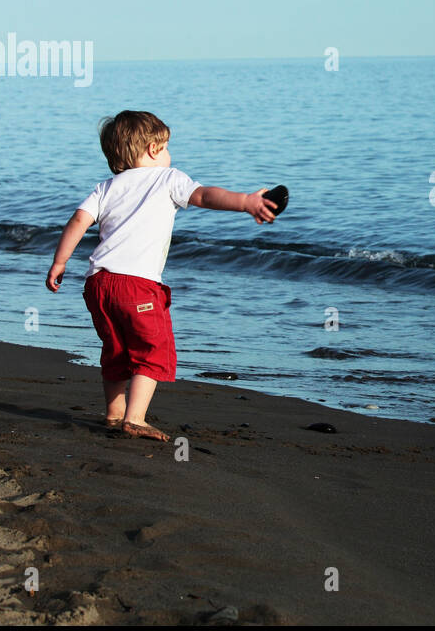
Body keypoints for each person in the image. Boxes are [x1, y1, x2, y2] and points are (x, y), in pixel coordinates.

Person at [45, 110, 277, 441]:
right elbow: (205, 195)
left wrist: (60, 262)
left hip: (98, 284)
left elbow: (79, 221)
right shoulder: (167, 178)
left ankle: (114, 413)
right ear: (154, 148)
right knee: (152, 349)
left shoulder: (106, 187)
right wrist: (245, 202)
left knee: (115, 349)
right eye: (167, 147)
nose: (169, 154)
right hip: (137, 285)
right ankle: (135, 418)